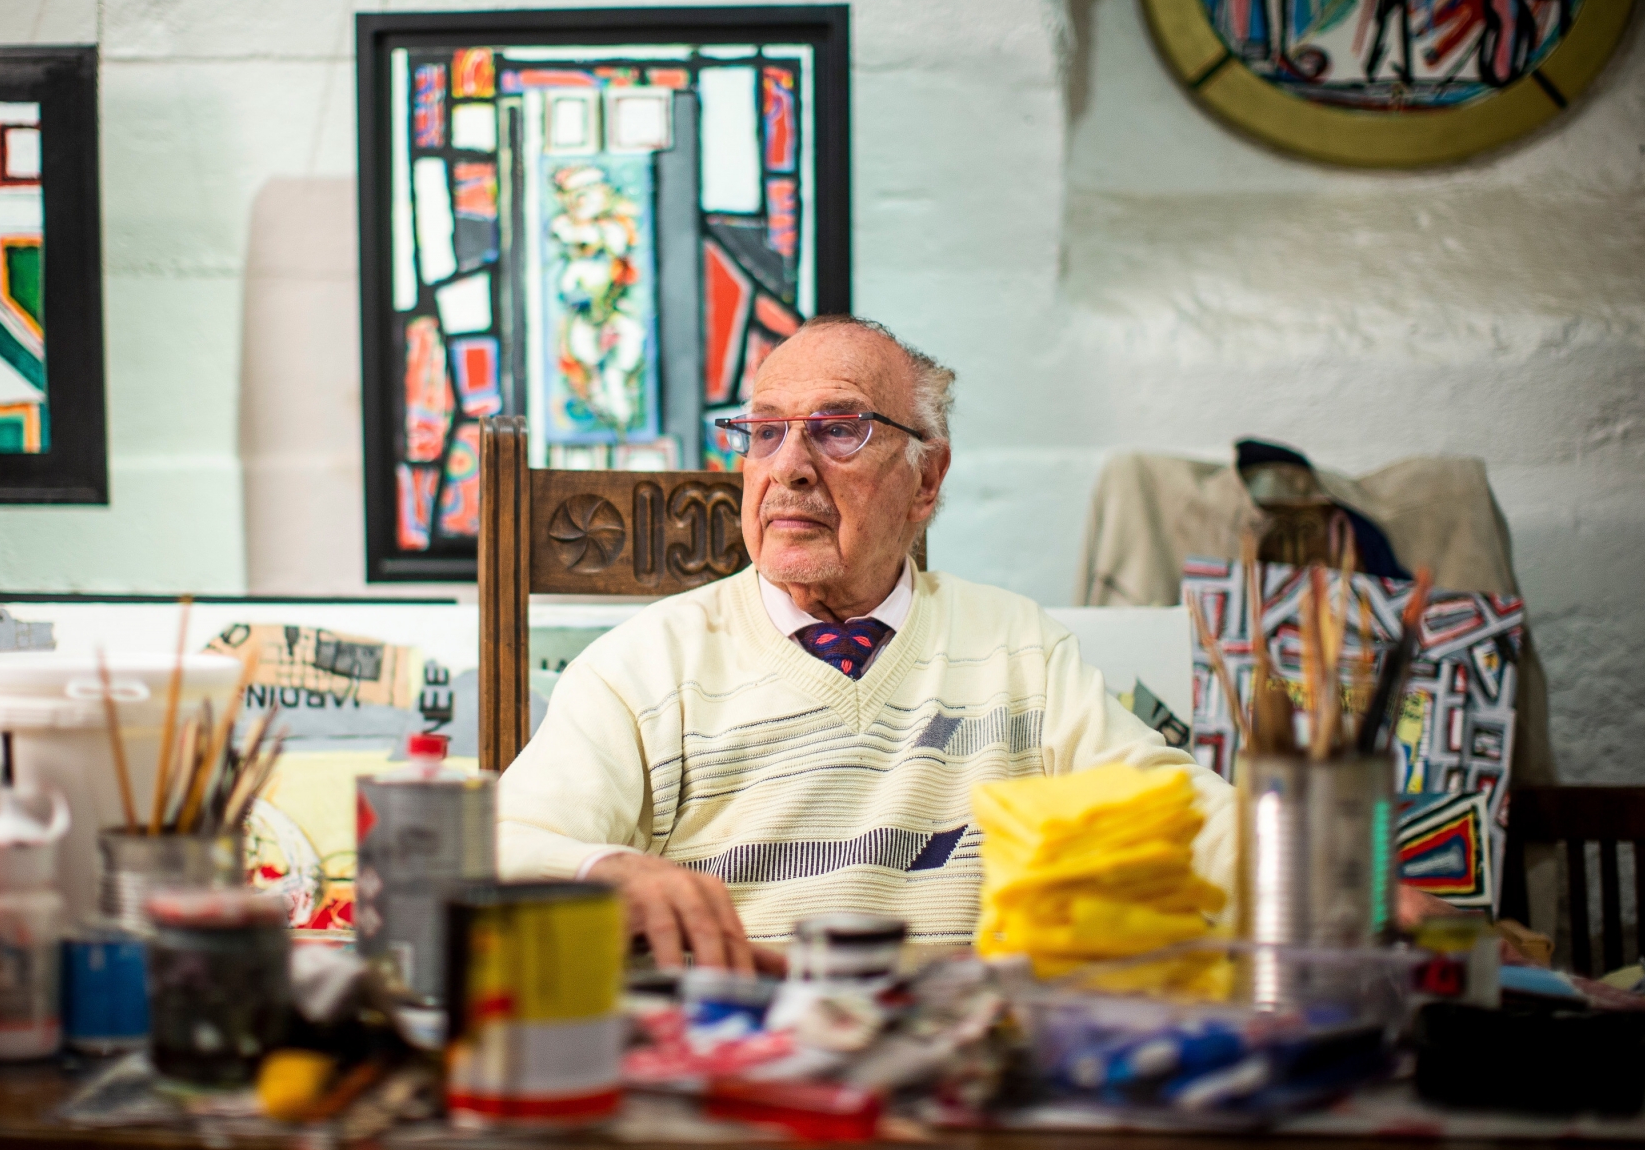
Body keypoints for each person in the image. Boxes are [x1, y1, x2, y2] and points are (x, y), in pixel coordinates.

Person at [494, 315, 1239, 972]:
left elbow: (1182, 819)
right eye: (765, 431)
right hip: (736, 1070)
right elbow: (505, 845)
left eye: (838, 428)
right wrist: (606, 867)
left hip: (961, 1068)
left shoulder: (1020, 651)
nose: (788, 466)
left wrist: (1328, 849)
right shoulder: (643, 667)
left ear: (926, 479)